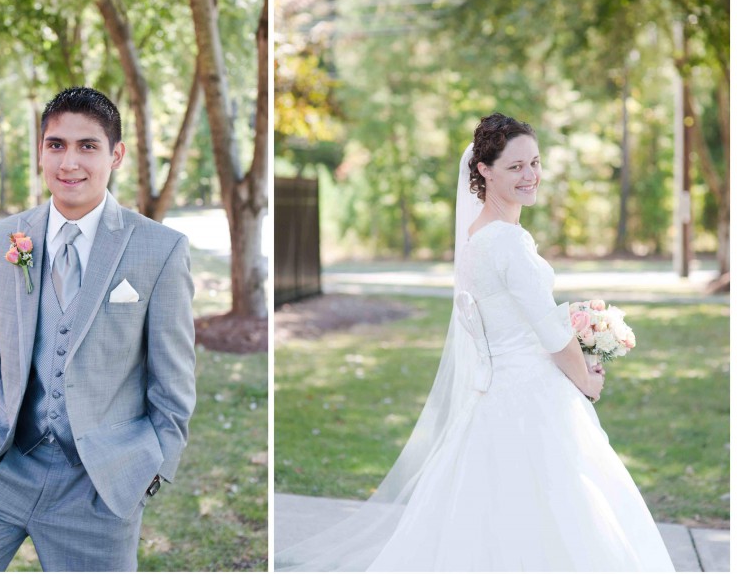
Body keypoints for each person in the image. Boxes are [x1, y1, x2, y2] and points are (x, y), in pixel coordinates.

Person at [275, 113, 675, 571]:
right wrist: (586, 380)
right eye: (516, 167)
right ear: (485, 170)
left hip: (499, 392)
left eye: (535, 163)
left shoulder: (477, 238)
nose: (531, 176)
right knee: (563, 503)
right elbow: (548, 331)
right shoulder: (507, 243)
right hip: (532, 395)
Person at [0, 87, 197, 571]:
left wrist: (149, 470)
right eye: (56, 144)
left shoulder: (159, 249)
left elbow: (174, 379)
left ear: (116, 155)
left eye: (88, 146)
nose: (70, 163)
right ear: (40, 150)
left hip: (98, 484)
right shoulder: (4, 237)